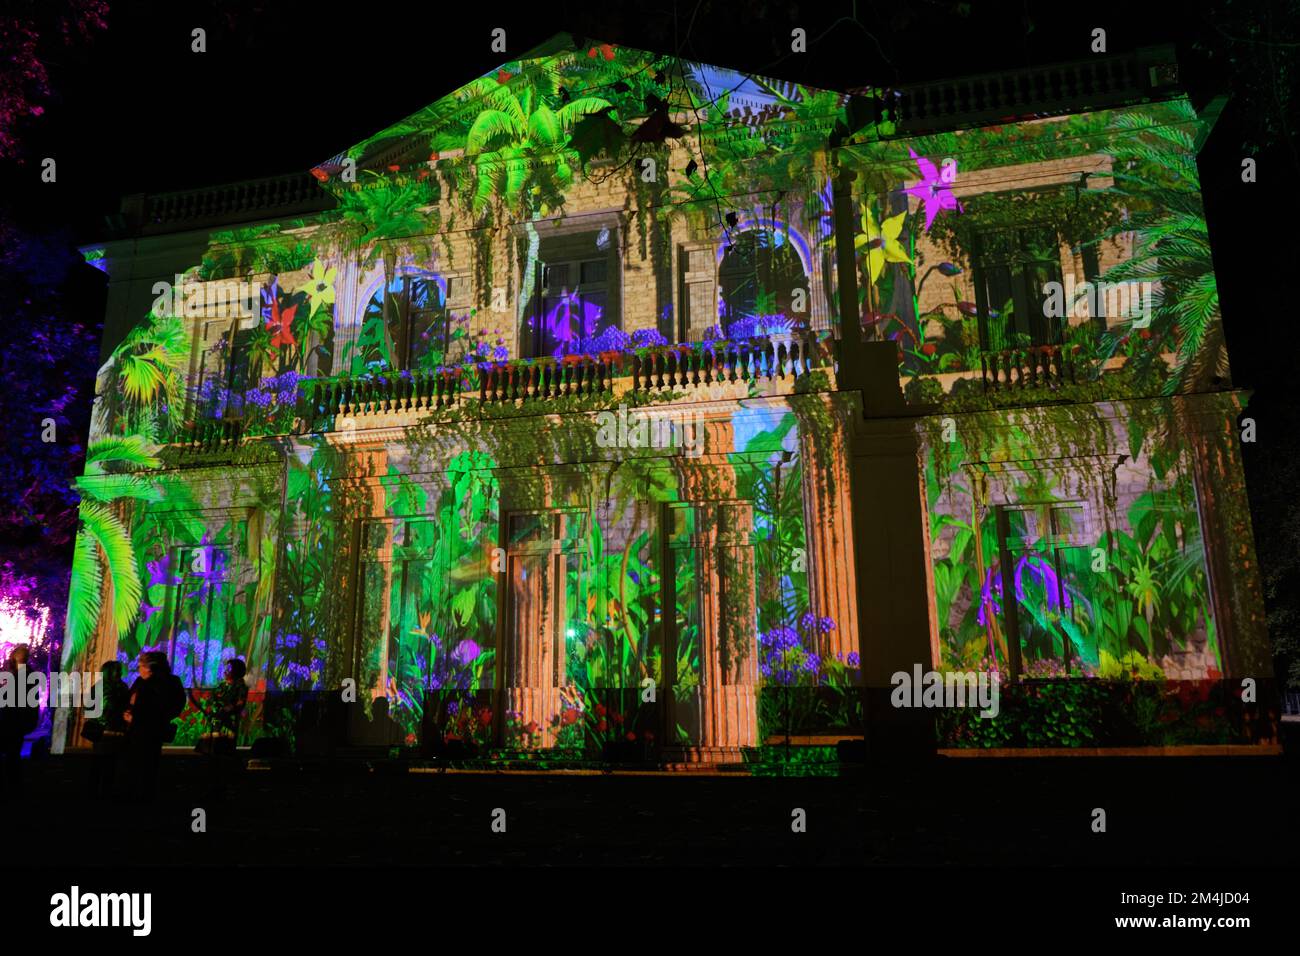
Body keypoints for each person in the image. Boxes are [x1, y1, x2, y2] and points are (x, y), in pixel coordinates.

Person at [123, 652, 185, 801]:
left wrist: (138, 718)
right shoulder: (142, 681)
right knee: (141, 763)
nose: (139, 669)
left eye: (141, 666)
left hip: (149, 730)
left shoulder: (165, 683)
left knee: (145, 764)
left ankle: (142, 795)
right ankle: (138, 793)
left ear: (150, 668)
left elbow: (169, 706)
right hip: (138, 729)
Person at [86, 660, 130, 799]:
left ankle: (95, 795)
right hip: (112, 731)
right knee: (108, 766)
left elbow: (90, 710)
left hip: (102, 731)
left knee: (100, 765)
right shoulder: (121, 688)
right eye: (117, 670)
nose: (120, 673)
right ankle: (104, 795)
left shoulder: (98, 687)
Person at [0, 645, 40, 799]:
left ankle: (10, 789)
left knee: (11, 757)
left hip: (9, 722)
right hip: (19, 724)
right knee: (13, 756)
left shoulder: (16, 677)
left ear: (14, 658)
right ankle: (14, 788)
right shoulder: (30, 676)